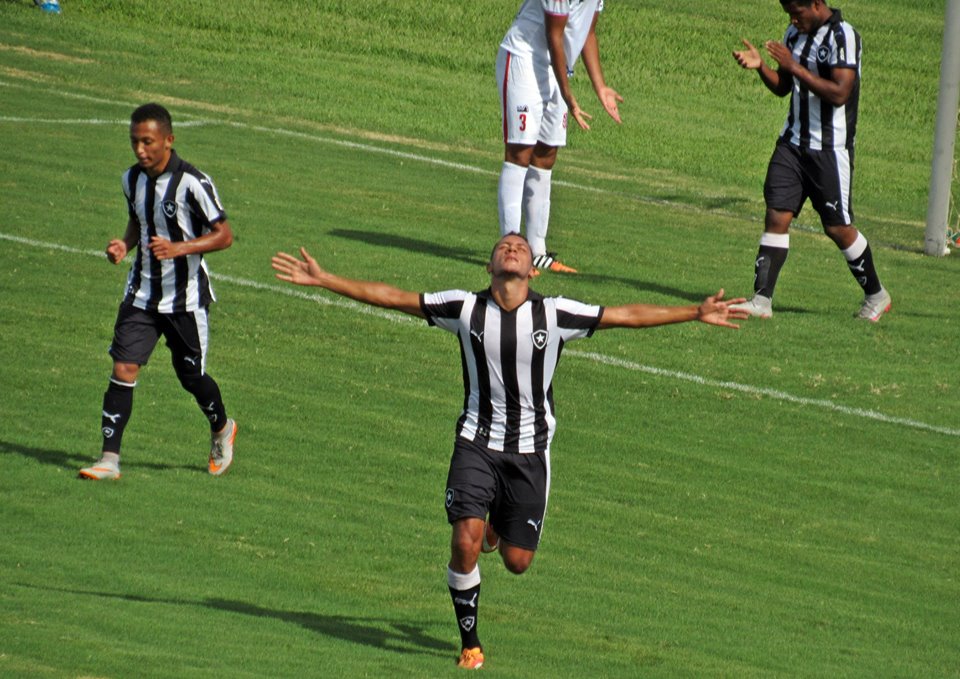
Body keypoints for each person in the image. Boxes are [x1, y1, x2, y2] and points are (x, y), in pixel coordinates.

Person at [271, 233, 747, 669]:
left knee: (517, 562)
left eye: (520, 246)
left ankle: (498, 524)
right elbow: (394, 297)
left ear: (533, 270)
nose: (513, 248)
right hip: (475, 444)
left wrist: (694, 311)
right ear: (489, 265)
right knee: (463, 541)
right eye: (504, 245)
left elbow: (624, 316)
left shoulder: (555, 314)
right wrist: (326, 279)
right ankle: (470, 643)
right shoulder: (463, 309)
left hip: (529, 454)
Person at [79, 103, 237, 480]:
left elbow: (224, 236)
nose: (139, 149)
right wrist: (124, 244)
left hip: (185, 299)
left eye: (147, 141)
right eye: (134, 141)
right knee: (123, 366)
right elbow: (138, 221)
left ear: (169, 140)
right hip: (142, 294)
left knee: (191, 377)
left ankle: (222, 429)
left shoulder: (193, 183)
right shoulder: (130, 180)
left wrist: (179, 248)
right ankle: (109, 460)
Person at [730, 0, 891, 322]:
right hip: (792, 144)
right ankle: (761, 301)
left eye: (796, 12)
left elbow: (840, 93)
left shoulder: (843, 36)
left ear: (816, 4)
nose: (792, 19)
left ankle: (876, 294)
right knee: (777, 214)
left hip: (830, 150)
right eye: (787, 12)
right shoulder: (794, 33)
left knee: (837, 228)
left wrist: (793, 66)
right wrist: (761, 66)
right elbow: (783, 88)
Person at [496, 0, 623, 274]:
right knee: (520, 151)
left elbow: (587, 33)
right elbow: (554, 35)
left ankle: (537, 251)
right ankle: (510, 249)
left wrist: (599, 86)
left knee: (546, 153)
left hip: (558, 69)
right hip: (524, 60)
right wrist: (567, 94)